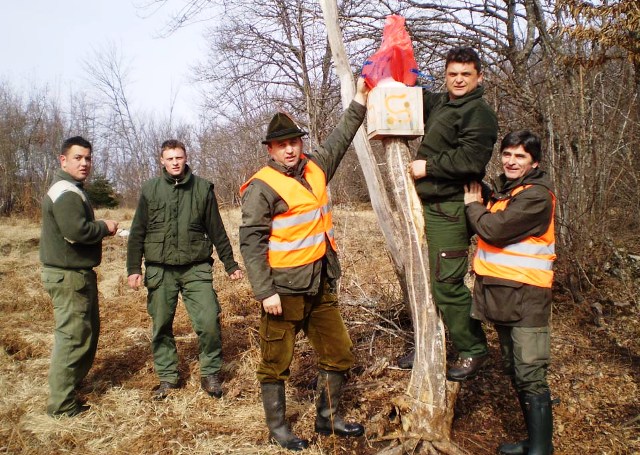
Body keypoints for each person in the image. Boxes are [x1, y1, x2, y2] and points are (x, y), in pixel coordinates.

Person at [239, 77, 369, 451]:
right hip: (284, 291)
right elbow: (251, 243)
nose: (290, 149)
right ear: (271, 149)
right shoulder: (262, 188)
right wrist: (265, 292)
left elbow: (341, 137)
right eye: (282, 145)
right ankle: (278, 428)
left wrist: (359, 100)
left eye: (295, 142)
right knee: (275, 362)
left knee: (339, 353)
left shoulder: (316, 167)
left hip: (320, 283)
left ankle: (327, 419)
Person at [405, 46, 498, 379]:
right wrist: (395, 71)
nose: (458, 80)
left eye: (466, 74)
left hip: (450, 208)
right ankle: (430, 344)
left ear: (479, 77)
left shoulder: (478, 113)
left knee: (446, 283)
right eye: (453, 74)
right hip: (429, 206)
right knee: (425, 282)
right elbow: (419, 98)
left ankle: (473, 349)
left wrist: (427, 166)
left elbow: (471, 161)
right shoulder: (447, 102)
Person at [126, 139, 243, 400]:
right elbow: (137, 233)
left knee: (209, 321)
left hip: (195, 268)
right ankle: (168, 377)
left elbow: (217, 230)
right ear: (162, 161)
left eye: (179, 157)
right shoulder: (150, 190)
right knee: (161, 325)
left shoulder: (202, 189)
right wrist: (134, 267)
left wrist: (230, 264)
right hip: (160, 270)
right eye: (170, 158)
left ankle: (210, 373)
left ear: (186, 157)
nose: (175, 162)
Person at [464, 130, 556, 454]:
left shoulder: (537, 196)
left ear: (534, 163)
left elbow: (493, 228)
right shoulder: (509, 192)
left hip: (528, 299)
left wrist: (473, 206)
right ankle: (532, 442)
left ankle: (541, 449)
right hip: (503, 296)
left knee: (530, 373)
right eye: (508, 154)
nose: (511, 161)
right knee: (514, 369)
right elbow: (498, 209)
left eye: (520, 156)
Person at [40, 136, 119, 417]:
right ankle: (61, 407)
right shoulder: (65, 191)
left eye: (88, 158)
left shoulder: (72, 188)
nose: (84, 163)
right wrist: (104, 226)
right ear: (63, 160)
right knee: (72, 337)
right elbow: (76, 231)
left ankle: (70, 390)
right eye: (78, 158)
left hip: (75, 274)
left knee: (84, 334)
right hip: (68, 276)